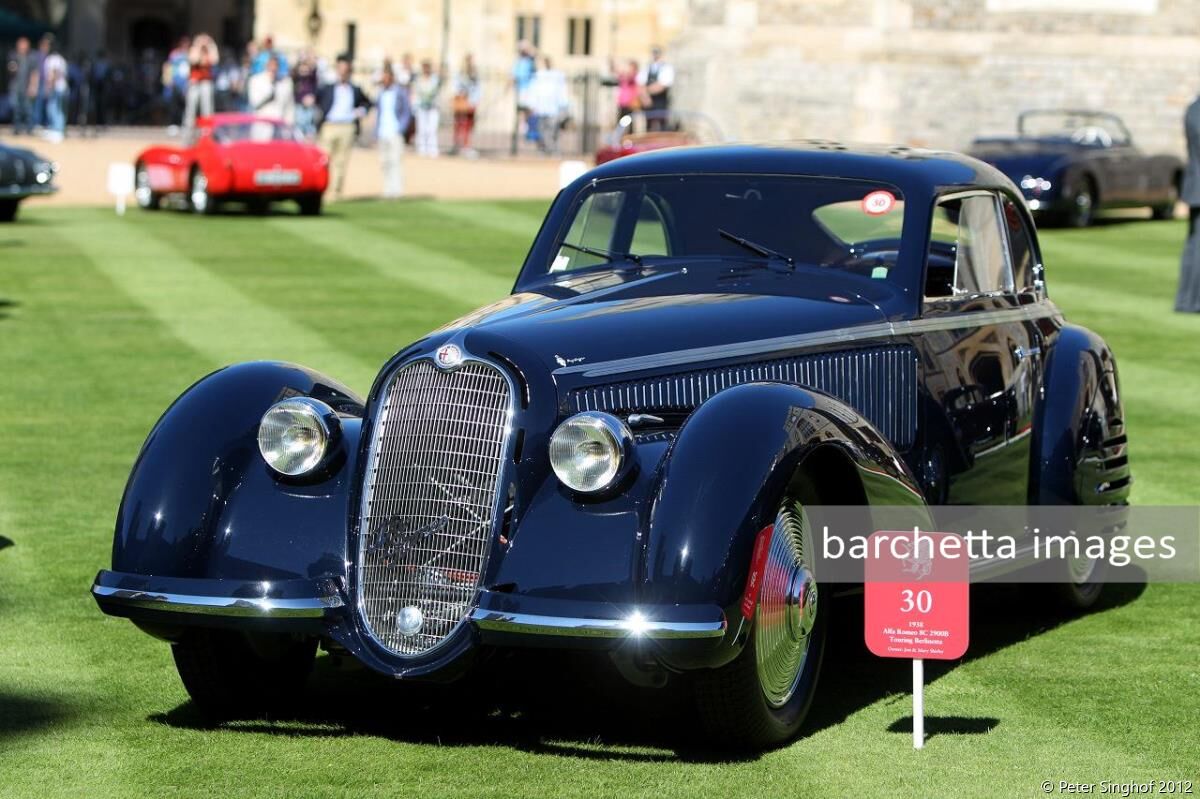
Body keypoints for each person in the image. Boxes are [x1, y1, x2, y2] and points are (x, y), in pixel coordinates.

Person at [316, 55, 370, 199]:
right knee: (324, 160)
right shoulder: (328, 87)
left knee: (341, 162)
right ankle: (321, 190)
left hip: (347, 126)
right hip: (329, 125)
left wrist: (361, 111)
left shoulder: (355, 89)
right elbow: (317, 100)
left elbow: (367, 103)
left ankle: (335, 193)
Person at [1175, 95, 1200, 313]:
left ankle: (1188, 300)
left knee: (1194, 246)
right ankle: (1190, 301)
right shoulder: (1196, 110)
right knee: (1196, 247)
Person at [375, 67, 412, 198]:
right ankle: (387, 190)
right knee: (384, 162)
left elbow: (407, 111)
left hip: (395, 131)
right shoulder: (380, 93)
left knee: (396, 161)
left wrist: (401, 128)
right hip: (383, 132)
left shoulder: (400, 92)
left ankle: (397, 190)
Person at [529, 56, 568, 154]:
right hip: (541, 107)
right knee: (542, 130)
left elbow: (562, 91)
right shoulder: (539, 75)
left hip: (554, 108)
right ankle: (546, 149)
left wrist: (564, 105)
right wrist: (532, 104)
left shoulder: (557, 75)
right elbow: (534, 90)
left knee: (552, 130)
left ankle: (552, 149)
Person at [182, 34, 217, 133]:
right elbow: (194, 60)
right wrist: (198, 46)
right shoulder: (194, 50)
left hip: (206, 82)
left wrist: (211, 46)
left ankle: (207, 133)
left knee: (207, 109)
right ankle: (188, 133)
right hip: (195, 82)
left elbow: (215, 60)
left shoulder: (209, 51)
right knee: (191, 110)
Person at [247, 55, 294, 122]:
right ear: (265, 65)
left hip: (280, 123)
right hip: (262, 122)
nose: (273, 68)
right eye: (270, 65)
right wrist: (271, 86)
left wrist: (289, 123)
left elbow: (290, 106)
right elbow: (254, 103)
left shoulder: (286, 82)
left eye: (276, 65)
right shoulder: (255, 80)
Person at [638, 46, 674, 131]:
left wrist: (646, 91)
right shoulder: (647, 67)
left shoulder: (666, 67)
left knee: (662, 124)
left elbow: (663, 85)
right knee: (648, 125)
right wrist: (645, 97)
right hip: (648, 101)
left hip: (660, 101)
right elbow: (640, 82)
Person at [411, 59, 442, 157]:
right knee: (422, 128)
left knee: (431, 129)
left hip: (433, 107)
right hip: (421, 107)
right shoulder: (418, 80)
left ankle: (432, 149)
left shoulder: (435, 79)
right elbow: (416, 94)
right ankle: (422, 149)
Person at [451, 54, 480, 156]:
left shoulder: (474, 75)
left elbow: (477, 89)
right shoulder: (459, 74)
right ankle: (457, 145)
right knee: (458, 124)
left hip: (470, 102)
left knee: (468, 125)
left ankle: (466, 146)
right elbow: (455, 86)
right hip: (461, 101)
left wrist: (475, 101)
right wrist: (460, 94)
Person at [512, 40, 537, 148]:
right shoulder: (519, 62)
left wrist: (528, 47)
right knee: (522, 113)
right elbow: (513, 77)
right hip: (522, 91)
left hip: (530, 90)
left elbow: (536, 54)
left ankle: (530, 134)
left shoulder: (530, 61)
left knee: (530, 112)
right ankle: (523, 134)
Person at [6, 37, 34, 134]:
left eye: (24, 44)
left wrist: (32, 86)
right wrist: (12, 68)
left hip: (26, 87)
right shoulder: (13, 56)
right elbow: (10, 68)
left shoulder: (30, 58)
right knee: (16, 108)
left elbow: (34, 73)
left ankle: (29, 128)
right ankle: (17, 128)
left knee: (28, 109)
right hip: (15, 87)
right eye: (21, 44)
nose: (22, 47)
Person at [41, 44, 67, 141]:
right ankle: (57, 129)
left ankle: (57, 130)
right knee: (58, 109)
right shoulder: (61, 59)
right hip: (62, 87)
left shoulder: (52, 59)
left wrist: (50, 86)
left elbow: (54, 73)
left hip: (56, 87)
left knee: (53, 108)